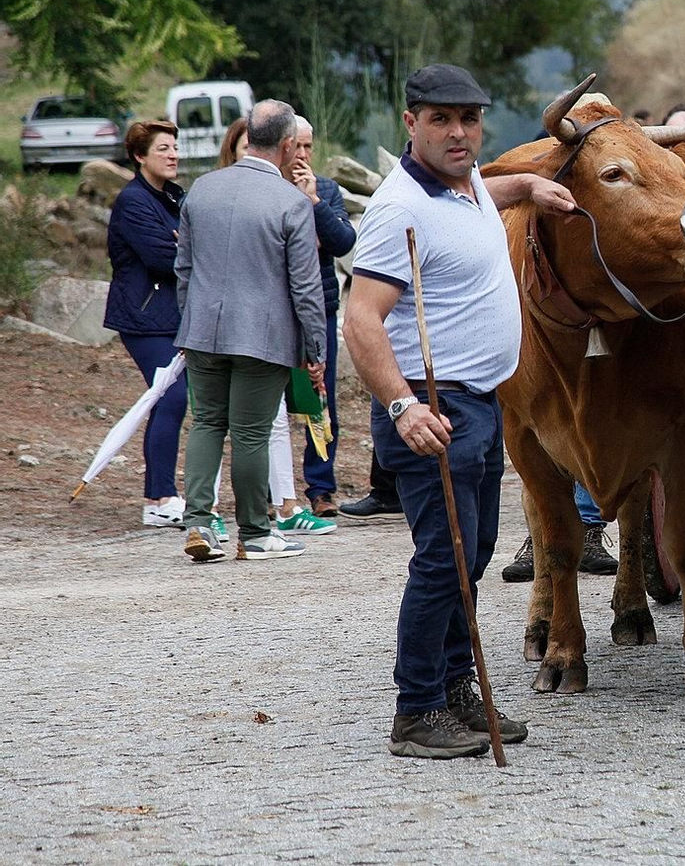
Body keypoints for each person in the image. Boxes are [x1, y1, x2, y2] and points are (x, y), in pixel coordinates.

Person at [345, 63, 574, 759]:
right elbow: (361, 317)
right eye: (441, 119)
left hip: (477, 401)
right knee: (444, 560)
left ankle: (453, 692)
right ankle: (416, 711)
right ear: (410, 123)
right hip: (431, 407)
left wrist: (528, 183)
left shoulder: (462, 183)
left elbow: (485, 187)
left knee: (469, 554)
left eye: (469, 119)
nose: (458, 132)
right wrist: (402, 405)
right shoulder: (399, 210)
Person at [175, 99, 327, 562]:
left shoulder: (200, 189)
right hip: (263, 337)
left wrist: (191, 319)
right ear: (286, 146)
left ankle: (199, 523)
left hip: (201, 330)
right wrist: (315, 346)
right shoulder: (291, 203)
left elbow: (183, 269)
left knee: (205, 424)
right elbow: (305, 285)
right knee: (251, 434)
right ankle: (256, 534)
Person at [104, 120, 190, 529]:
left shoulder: (173, 197)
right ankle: (159, 498)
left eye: (175, 147)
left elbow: (186, 244)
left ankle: (164, 494)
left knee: (170, 398)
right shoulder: (133, 201)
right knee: (170, 397)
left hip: (173, 316)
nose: (173, 155)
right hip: (143, 317)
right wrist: (179, 245)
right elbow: (163, 258)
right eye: (163, 149)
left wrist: (180, 241)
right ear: (140, 156)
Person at [289, 115, 356, 516]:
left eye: (308, 147)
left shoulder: (327, 189)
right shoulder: (267, 190)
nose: (301, 155)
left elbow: (342, 241)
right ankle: (272, 489)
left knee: (319, 397)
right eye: (295, 146)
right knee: (276, 400)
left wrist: (314, 203)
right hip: (276, 313)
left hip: (322, 307)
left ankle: (320, 486)